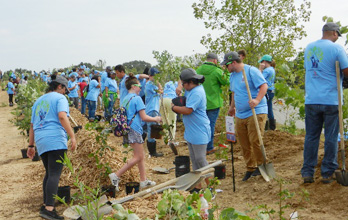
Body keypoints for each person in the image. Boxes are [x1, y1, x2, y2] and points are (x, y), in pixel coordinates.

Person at [301, 22, 348, 184]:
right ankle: (327, 173)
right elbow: (346, 70)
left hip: (312, 99)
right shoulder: (337, 49)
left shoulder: (308, 48)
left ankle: (307, 172)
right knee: (331, 136)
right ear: (334, 33)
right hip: (331, 100)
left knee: (311, 136)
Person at [27, 75, 76, 220]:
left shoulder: (38, 101)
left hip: (41, 140)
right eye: (65, 89)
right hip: (55, 139)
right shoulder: (60, 98)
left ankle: (46, 204)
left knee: (49, 173)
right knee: (54, 173)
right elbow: (62, 116)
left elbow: (32, 126)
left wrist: (31, 145)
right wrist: (72, 136)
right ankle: (49, 209)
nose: (65, 93)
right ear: (60, 86)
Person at [109, 73, 161, 191]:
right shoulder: (137, 99)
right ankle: (116, 175)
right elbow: (144, 117)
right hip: (135, 129)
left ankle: (143, 180)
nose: (141, 88)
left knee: (140, 156)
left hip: (128, 129)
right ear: (133, 86)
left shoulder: (126, 98)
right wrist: (156, 119)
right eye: (139, 86)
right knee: (138, 157)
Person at [224, 51, 268, 181]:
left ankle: (261, 166)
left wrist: (257, 100)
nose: (225, 68)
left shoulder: (251, 71)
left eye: (226, 65)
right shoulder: (232, 76)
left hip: (256, 111)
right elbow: (234, 92)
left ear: (233, 63)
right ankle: (250, 167)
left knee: (255, 140)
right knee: (243, 142)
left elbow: (264, 86)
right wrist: (232, 107)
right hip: (240, 113)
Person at [172, 68, 211, 192]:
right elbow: (182, 80)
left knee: (200, 159)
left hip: (199, 130)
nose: (182, 85)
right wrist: (179, 87)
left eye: (183, 84)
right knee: (194, 159)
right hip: (191, 131)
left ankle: (211, 186)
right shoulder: (191, 89)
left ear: (189, 83)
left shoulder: (197, 92)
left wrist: (174, 108)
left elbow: (188, 110)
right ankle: (197, 186)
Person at [196, 52, 229, 155]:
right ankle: (209, 147)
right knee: (210, 125)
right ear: (215, 61)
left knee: (201, 125)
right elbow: (227, 81)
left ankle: (200, 147)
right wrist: (226, 71)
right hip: (213, 103)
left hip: (200, 103)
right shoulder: (217, 71)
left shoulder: (198, 70)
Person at [145, 67, 163, 157]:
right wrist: (159, 83)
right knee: (151, 129)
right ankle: (152, 152)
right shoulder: (150, 84)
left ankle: (153, 151)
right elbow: (161, 91)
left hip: (152, 108)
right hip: (152, 109)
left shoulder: (151, 84)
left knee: (152, 128)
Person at [258, 55, 276, 130]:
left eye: (262, 62)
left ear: (264, 62)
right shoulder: (272, 69)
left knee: (265, 108)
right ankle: (271, 126)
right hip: (271, 90)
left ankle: (266, 127)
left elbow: (258, 78)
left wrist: (260, 69)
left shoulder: (267, 70)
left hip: (267, 91)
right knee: (269, 107)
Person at [160, 80, 178, 145]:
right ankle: (171, 140)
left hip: (162, 100)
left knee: (164, 121)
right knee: (172, 121)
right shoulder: (176, 84)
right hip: (171, 100)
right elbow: (179, 93)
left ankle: (166, 140)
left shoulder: (166, 84)